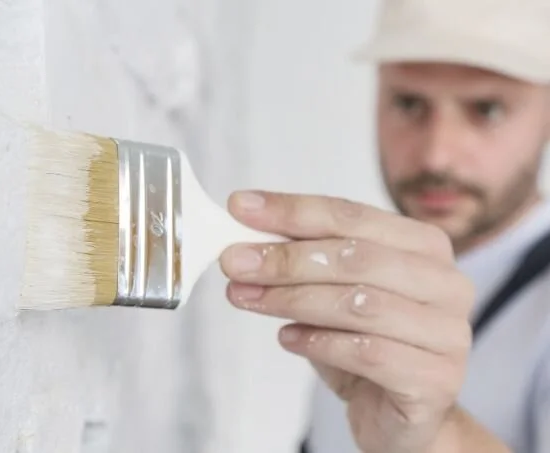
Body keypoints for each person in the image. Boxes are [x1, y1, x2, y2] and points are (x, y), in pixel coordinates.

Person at [218, 0, 550, 452]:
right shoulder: (360, 298)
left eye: (486, 110)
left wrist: (437, 436)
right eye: (409, 103)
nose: (437, 155)